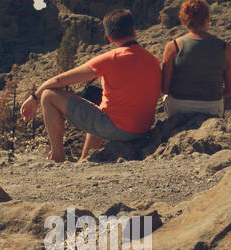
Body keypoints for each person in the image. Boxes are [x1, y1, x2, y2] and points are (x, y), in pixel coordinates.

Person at [20, 9, 161, 162]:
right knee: (98, 99)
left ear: (109, 37)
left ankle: (57, 156)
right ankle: (84, 159)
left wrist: (34, 97)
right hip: (142, 129)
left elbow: (59, 81)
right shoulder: (152, 59)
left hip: (118, 129)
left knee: (48, 95)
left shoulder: (111, 58)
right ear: (134, 30)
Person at [161, 0, 231, 117]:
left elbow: (165, 89)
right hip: (211, 107)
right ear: (208, 19)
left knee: (166, 98)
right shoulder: (225, 48)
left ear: (183, 21)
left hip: (179, 107)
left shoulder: (173, 46)